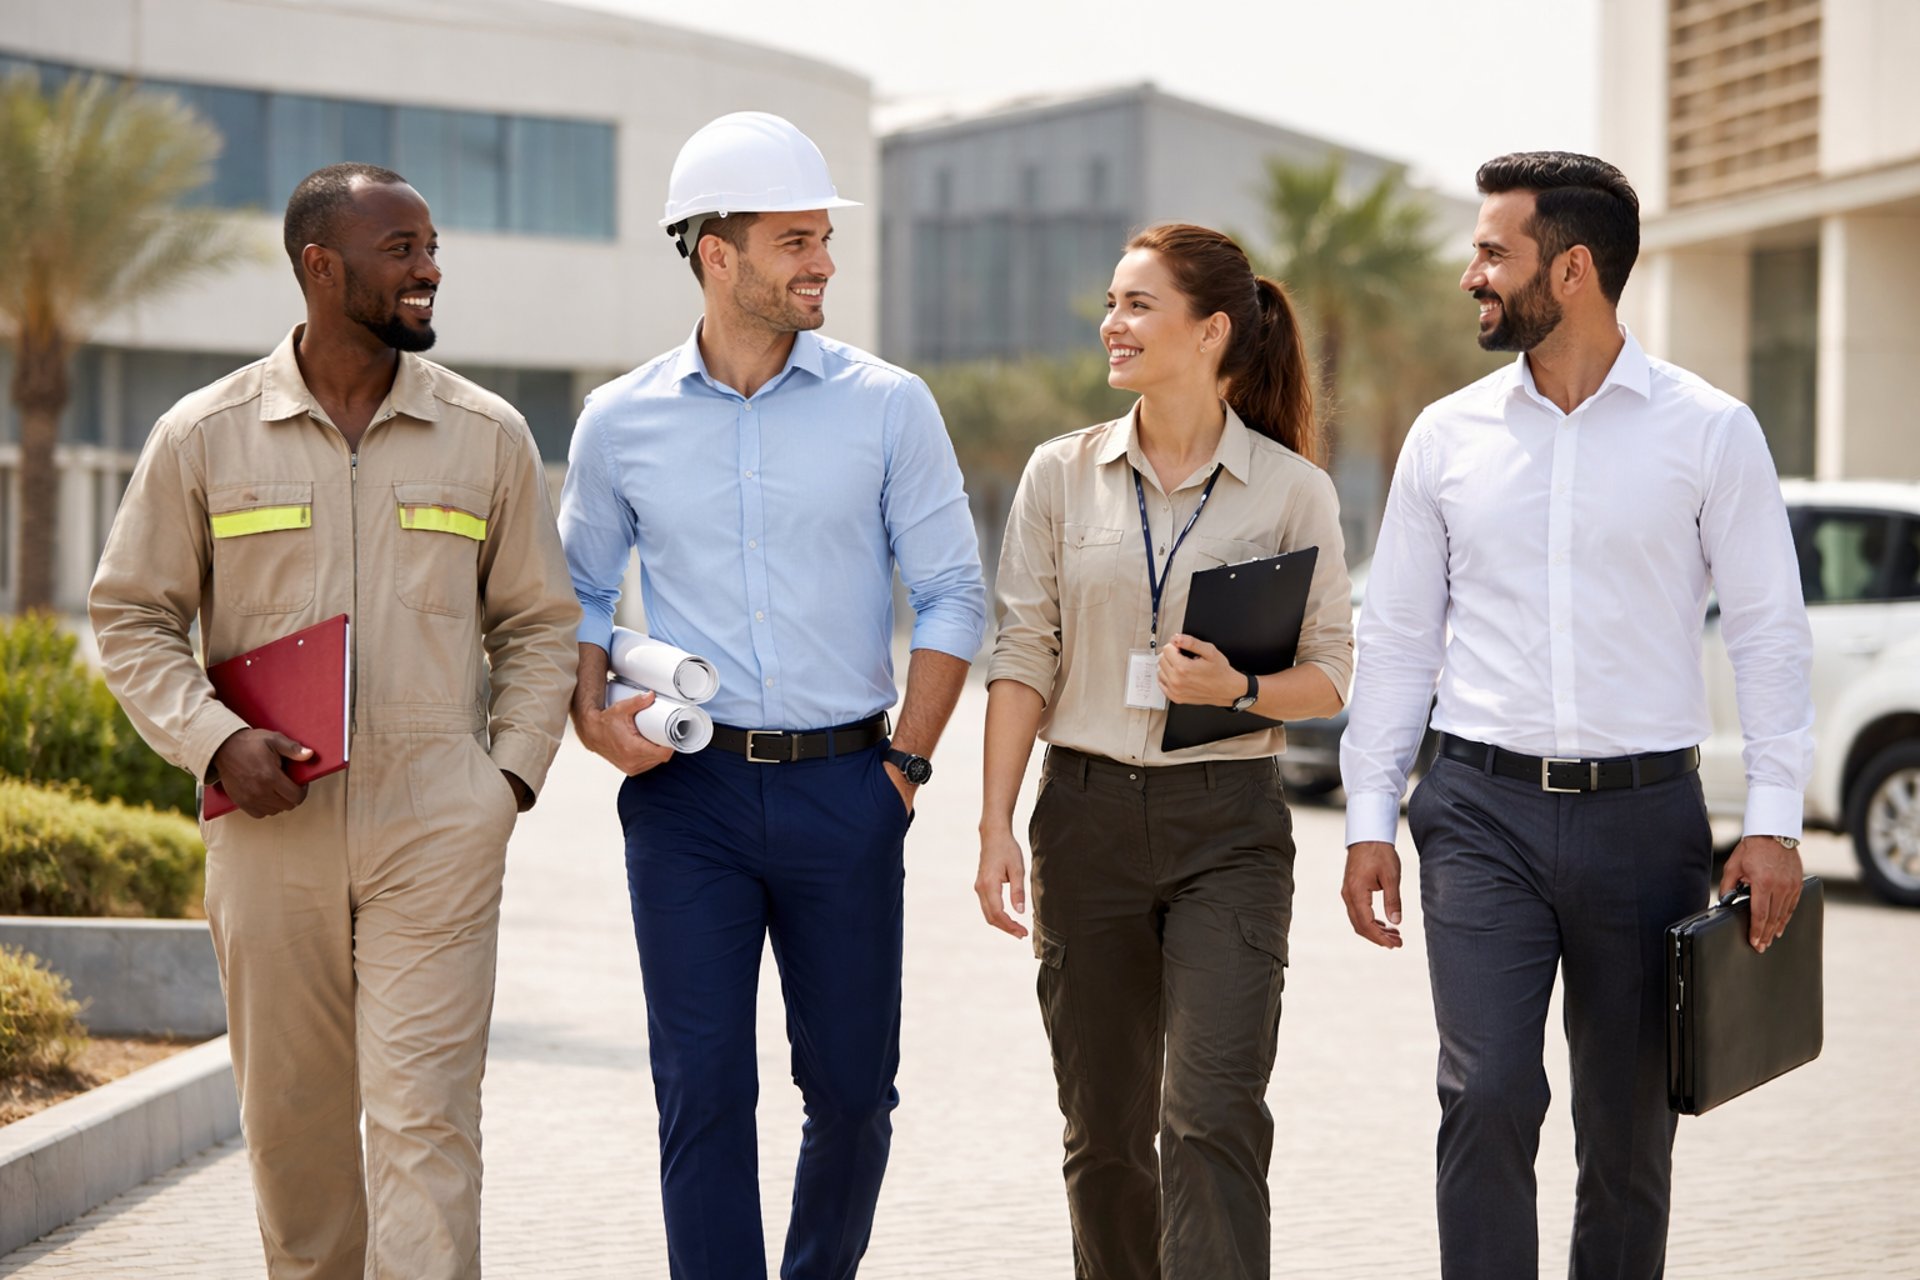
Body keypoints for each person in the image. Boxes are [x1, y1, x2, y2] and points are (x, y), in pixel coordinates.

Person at [89, 163, 580, 1278]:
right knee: (296, 1139)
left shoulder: (486, 435)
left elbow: (543, 625)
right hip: (270, 837)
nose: (429, 269)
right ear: (321, 266)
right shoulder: (203, 434)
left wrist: (502, 783)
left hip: (435, 832)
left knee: (427, 1127)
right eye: (401, 249)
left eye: (431, 245)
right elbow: (131, 614)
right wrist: (213, 737)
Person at [1338, 151, 1814, 1279]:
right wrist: (1368, 814)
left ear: (1575, 268)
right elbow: (1401, 637)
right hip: (1478, 810)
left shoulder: (1710, 431)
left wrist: (1778, 819)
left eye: (1494, 250)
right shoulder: (1447, 437)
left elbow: (1769, 631)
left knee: (1629, 1129)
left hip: (1643, 819)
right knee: (1487, 1092)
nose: (1473, 275)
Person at [557, 112, 986, 1280]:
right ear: (716, 253)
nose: (823, 262)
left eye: (824, 237)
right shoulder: (618, 419)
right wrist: (596, 720)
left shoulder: (889, 405)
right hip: (684, 798)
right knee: (701, 1086)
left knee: (852, 1093)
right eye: (796, 238)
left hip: (848, 788)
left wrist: (904, 768)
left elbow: (954, 593)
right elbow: (581, 591)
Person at [975, 223, 1353, 1279]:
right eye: (1113, 301)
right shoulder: (1061, 474)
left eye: (1139, 304)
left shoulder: (1291, 491)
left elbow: (1331, 670)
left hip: (1226, 824)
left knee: (1210, 1111)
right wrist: (995, 822)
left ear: (1212, 330)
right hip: (1085, 817)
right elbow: (1020, 655)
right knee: (1103, 1131)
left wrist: (1236, 687)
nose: (1114, 322)